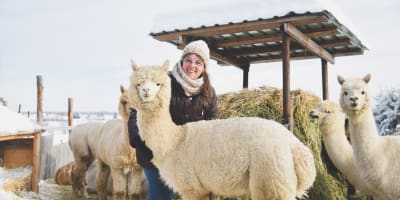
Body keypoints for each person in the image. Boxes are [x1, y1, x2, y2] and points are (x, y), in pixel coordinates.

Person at [128, 40, 218, 200]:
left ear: (204, 67)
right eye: (188, 60)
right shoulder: (163, 80)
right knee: (160, 195)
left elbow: (213, 123)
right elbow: (137, 109)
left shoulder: (208, 92)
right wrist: (139, 140)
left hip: (191, 156)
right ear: (182, 61)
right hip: (157, 152)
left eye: (198, 62)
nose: (192, 66)